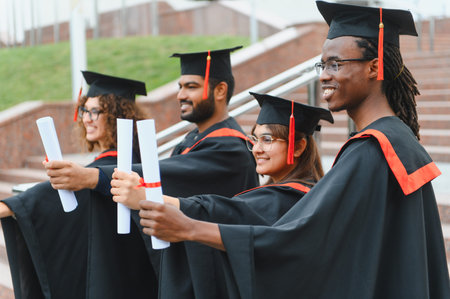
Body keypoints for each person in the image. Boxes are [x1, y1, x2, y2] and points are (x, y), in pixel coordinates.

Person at [137, 2, 450, 298]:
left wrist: (190, 228)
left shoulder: (372, 150)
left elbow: (299, 242)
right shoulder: (395, 139)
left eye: (336, 64)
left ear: (374, 67)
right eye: (322, 64)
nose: (324, 75)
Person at [43, 46, 259, 297]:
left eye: (190, 86)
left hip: (215, 280)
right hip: (192, 269)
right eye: (179, 87)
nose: (180, 95)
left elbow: (169, 175)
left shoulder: (230, 149)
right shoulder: (195, 139)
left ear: (220, 90)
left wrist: (92, 177)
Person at [110, 91, 334, 298]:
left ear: (298, 147)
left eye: (267, 140)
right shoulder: (312, 192)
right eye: (255, 139)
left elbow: (222, 211)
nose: (256, 148)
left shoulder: (288, 198)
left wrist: (145, 197)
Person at [0, 71, 154, 299]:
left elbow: (62, 193)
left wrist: (13, 205)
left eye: (96, 111)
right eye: (84, 110)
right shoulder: (122, 160)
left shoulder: (121, 166)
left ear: (117, 116)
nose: (87, 118)